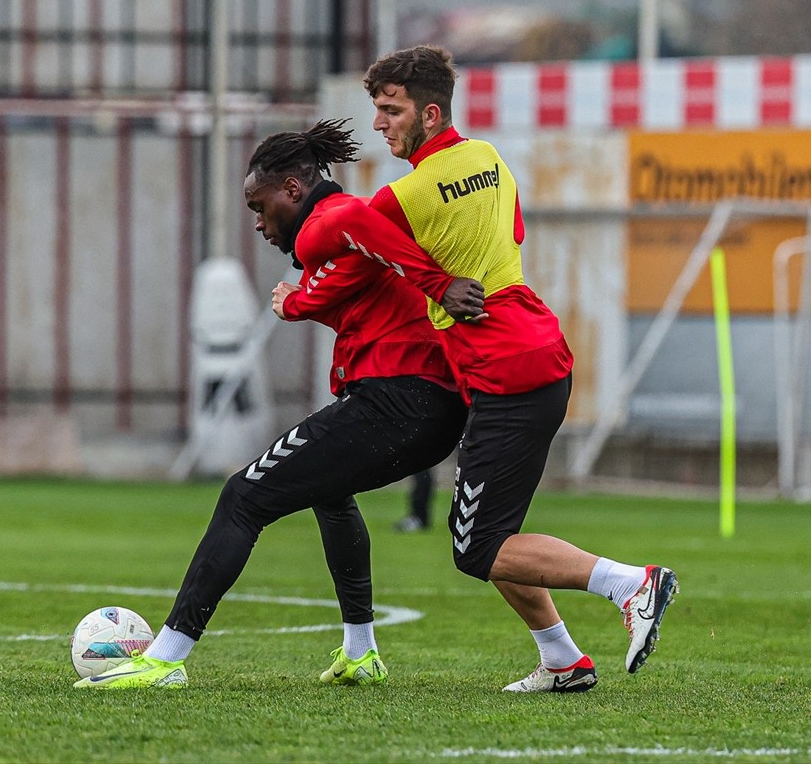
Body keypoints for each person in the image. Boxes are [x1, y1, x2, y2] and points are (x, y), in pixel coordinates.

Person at [74, 118, 476, 690]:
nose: (260, 225)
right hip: (427, 408)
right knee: (330, 494)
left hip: (399, 400)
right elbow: (354, 273)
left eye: (260, 208)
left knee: (243, 496)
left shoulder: (330, 220)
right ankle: (361, 652)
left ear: (293, 188)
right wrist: (301, 301)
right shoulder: (331, 242)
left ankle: (164, 658)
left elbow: (362, 219)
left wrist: (438, 285)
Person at [347, 44, 679, 693]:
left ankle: (632, 585)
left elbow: (346, 249)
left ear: (431, 112)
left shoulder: (403, 195)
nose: (380, 123)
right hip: (538, 348)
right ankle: (562, 660)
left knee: (477, 548)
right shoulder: (490, 159)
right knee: (493, 534)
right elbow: (514, 236)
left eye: (391, 110)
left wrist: (296, 297)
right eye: (377, 110)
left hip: (506, 370)